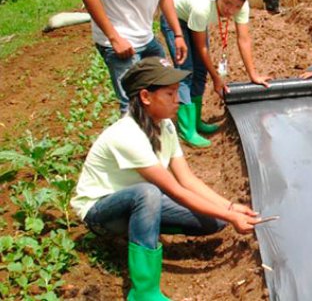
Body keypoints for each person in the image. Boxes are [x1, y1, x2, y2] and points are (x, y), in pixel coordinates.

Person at [70, 57, 260, 300]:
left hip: (139, 203)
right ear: (146, 97)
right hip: (101, 213)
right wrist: (232, 216)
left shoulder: (165, 127)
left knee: (215, 221)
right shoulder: (128, 135)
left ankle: (144, 225)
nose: (178, 99)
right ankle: (144, 291)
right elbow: (176, 192)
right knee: (147, 193)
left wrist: (230, 209)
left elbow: (188, 180)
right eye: (170, 94)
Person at [160, 0, 272, 147]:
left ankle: (196, 121)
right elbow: (201, 49)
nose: (231, 10)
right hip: (174, 18)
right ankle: (186, 130)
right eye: (227, 3)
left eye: (236, 7)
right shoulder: (202, 7)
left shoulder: (241, 6)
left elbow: (244, 40)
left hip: (194, 19)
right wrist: (216, 77)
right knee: (185, 71)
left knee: (199, 71)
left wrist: (253, 74)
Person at [79, 0, 188, 114]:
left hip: (147, 38)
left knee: (162, 92)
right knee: (132, 105)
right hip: (122, 43)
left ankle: (157, 135)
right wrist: (114, 38)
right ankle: (138, 136)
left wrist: (178, 34)